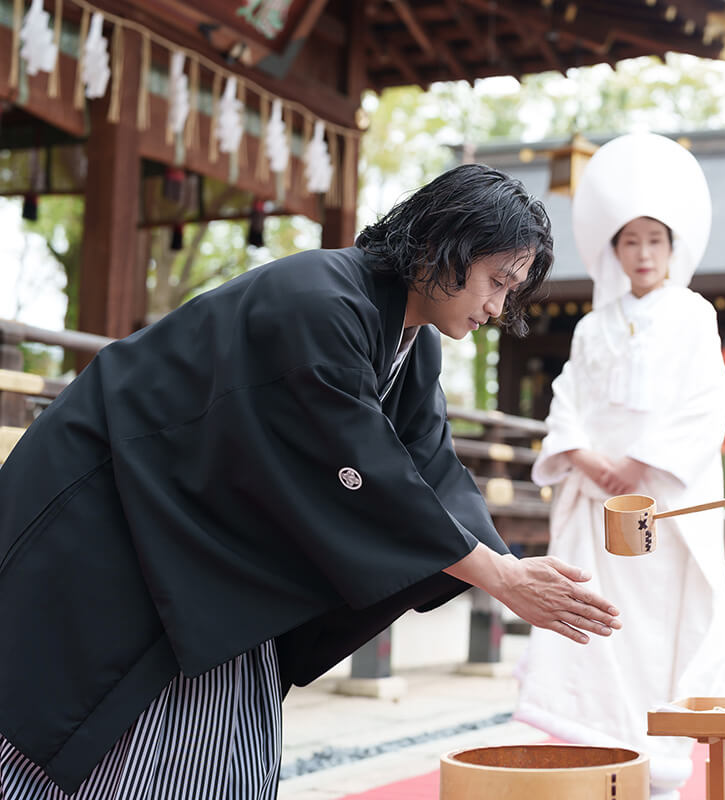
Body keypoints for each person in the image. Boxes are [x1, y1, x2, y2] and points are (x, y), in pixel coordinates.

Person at [0, 163, 622, 799]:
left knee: (220, 751)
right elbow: (357, 465)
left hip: (198, 550)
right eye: (497, 281)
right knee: (77, 717)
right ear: (445, 246)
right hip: (114, 514)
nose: (497, 307)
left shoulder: (412, 343)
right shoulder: (318, 299)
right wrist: (498, 576)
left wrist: (506, 566)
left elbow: (431, 470)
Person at [513, 132, 725, 799]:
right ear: (612, 249)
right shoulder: (592, 326)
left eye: (654, 240)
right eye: (630, 240)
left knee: (656, 635)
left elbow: (705, 405)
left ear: (675, 247)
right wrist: (587, 457)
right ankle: (600, 752)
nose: (642, 253)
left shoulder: (695, 317)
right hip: (595, 503)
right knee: (596, 623)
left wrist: (640, 465)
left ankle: (662, 769)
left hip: (661, 511)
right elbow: (568, 401)